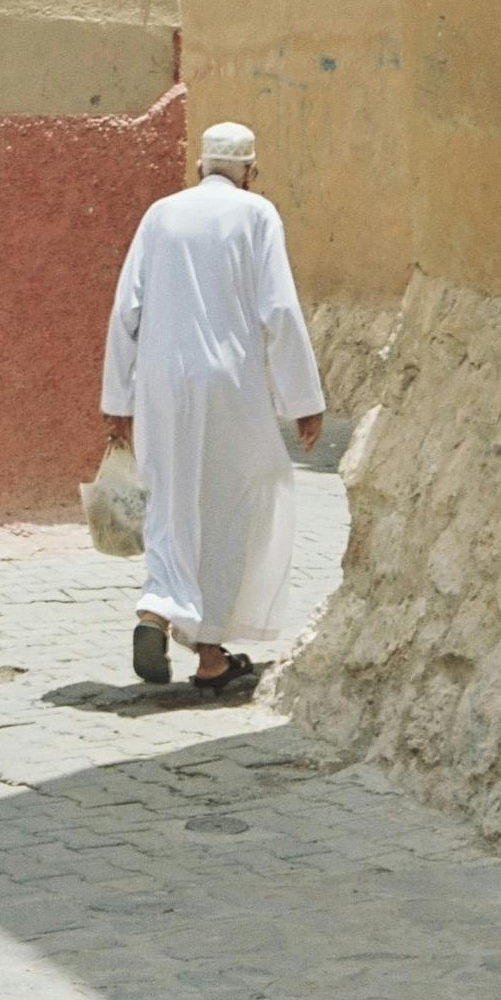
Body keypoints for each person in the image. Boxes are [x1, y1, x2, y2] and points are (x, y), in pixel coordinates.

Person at [101, 120, 324, 695]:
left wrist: (117, 398)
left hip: (159, 383)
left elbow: (127, 309)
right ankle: (208, 650)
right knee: (238, 499)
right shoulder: (258, 215)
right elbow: (279, 308)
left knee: (170, 497)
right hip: (229, 383)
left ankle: (161, 610)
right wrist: (304, 399)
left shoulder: (160, 214)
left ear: (200, 165)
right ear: (249, 171)